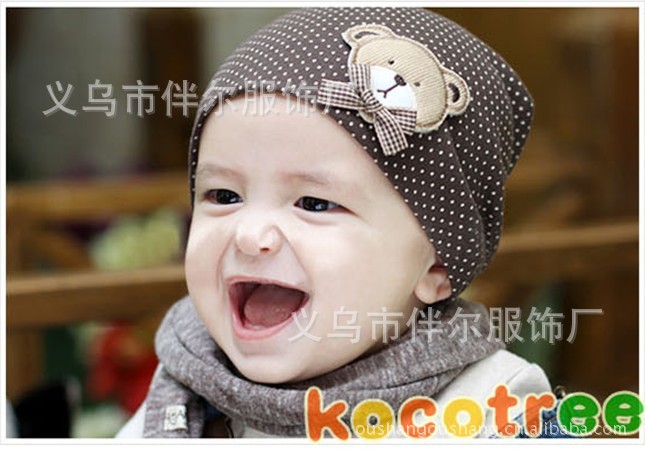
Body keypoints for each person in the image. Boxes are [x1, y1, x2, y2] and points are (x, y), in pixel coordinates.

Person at [117, 7, 569, 439]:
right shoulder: (187, 384)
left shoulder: (493, 408)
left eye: (314, 203)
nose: (251, 236)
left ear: (437, 267)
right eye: (224, 196)